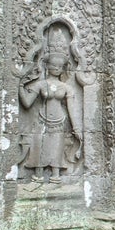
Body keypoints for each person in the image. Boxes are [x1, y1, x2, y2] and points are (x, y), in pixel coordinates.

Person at [19, 28, 83, 183]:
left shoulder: (66, 88)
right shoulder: (41, 84)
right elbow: (27, 103)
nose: (56, 68)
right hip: (42, 121)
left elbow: (72, 109)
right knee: (39, 148)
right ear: (46, 65)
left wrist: (77, 129)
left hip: (59, 123)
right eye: (53, 65)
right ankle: (38, 175)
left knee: (56, 149)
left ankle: (56, 175)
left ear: (63, 67)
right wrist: (20, 86)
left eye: (59, 66)